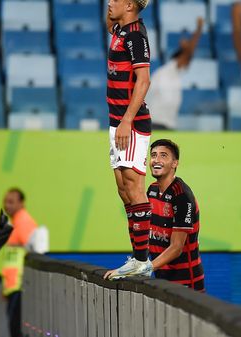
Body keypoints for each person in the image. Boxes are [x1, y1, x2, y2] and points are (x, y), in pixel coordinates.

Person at [104, 0, 154, 280]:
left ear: (130, 5)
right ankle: (137, 257)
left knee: (134, 188)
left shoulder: (135, 34)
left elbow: (144, 80)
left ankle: (142, 260)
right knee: (124, 190)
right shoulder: (120, 30)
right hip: (117, 122)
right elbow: (108, 20)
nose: (110, 2)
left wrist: (126, 120)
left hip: (130, 123)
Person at [147, 139, 206, 291]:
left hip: (186, 284)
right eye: (153, 155)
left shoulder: (182, 196)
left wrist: (145, 268)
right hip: (161, 281)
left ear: (175, 163)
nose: (156, 160)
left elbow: (177, 247)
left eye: (163, 155)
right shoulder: (151, 190)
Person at [146, 17, 204, 130]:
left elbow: (188, 55)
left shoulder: (173, 72)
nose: (188, 61)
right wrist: (199, 30)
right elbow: (188, 54)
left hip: (164, 124)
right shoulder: (166, 72)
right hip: (157, 124)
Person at [2, 188, 38, 337]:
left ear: (21, 203)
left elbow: (33, 251)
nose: (7, 205)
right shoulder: (15, 222)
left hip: (20, 285)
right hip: (14, 287)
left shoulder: (23, 221)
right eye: (5, 201)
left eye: (11, 202)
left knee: (16, 329)